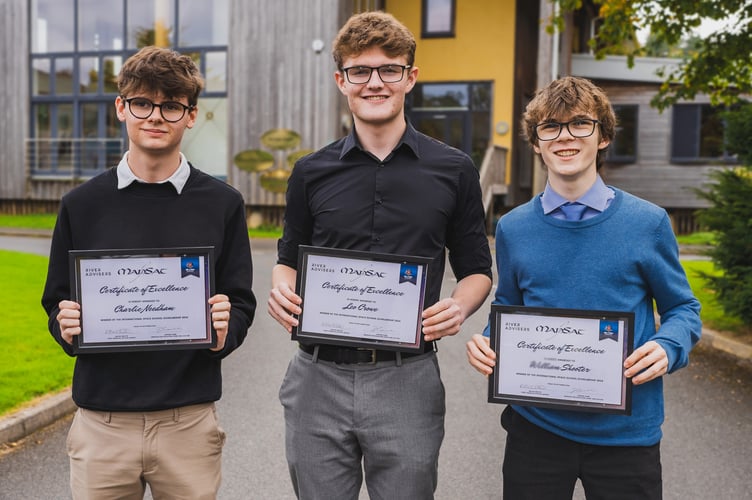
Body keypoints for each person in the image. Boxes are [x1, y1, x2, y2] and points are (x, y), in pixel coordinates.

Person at [267, 11, 493, 500]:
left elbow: (477, 269)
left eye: (389, 69)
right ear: (340, 80)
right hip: (316, 378)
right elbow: (288, 256)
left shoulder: (454, 170)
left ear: (410, 77)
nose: (375, 82)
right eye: (360, 71)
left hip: (406, 377)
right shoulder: (310, 172)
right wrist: (282, 288)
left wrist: (459, 307)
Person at [466, 76, 702, 499]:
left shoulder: (647, 223)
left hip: (626, 435)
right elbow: (509, 309)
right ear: (536, 143)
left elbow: (683, 308)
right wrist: (488, 340)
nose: (565, 137)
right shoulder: (513, 228)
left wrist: (669, 345)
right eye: (550, 127)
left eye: (580, 124)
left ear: (603, 136)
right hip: (536, 429)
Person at [41, 46, 256, 499]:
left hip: (189, 422)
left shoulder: (223, 203)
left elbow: (240, 300)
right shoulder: (81, 204)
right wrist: (67, 328)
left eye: (171, 105)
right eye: (142, 102)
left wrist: (223, 331)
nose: (155, 116)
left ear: (191, 115)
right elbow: (56, 298)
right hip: (102, 424)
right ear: (122, 107)